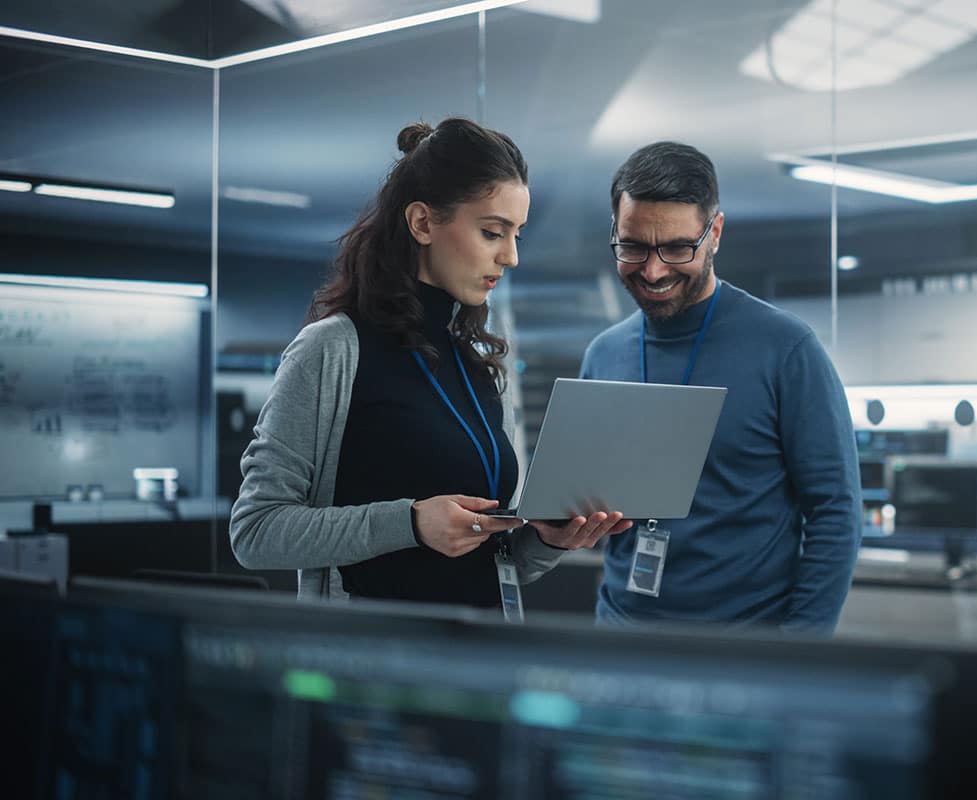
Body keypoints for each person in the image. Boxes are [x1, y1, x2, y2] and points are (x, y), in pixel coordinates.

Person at [230, 117, 630, 604]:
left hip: (479, 662)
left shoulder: (476, 362)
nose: (511, 257)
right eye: (492, 232)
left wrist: (548, 540)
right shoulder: (332, 349)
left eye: (517, 235)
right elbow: (255, 531)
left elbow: (496, 563)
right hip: (372, 665)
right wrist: (412, 523)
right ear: (422, 223)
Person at [580, 141, 862, 632]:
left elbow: (835, 511)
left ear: (715, 234)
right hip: (622, 637)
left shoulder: (787, 349)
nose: (652, 270)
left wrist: (799, 647)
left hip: (745, 646)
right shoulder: (603, 355)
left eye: (676, 248)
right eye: (633, 247)